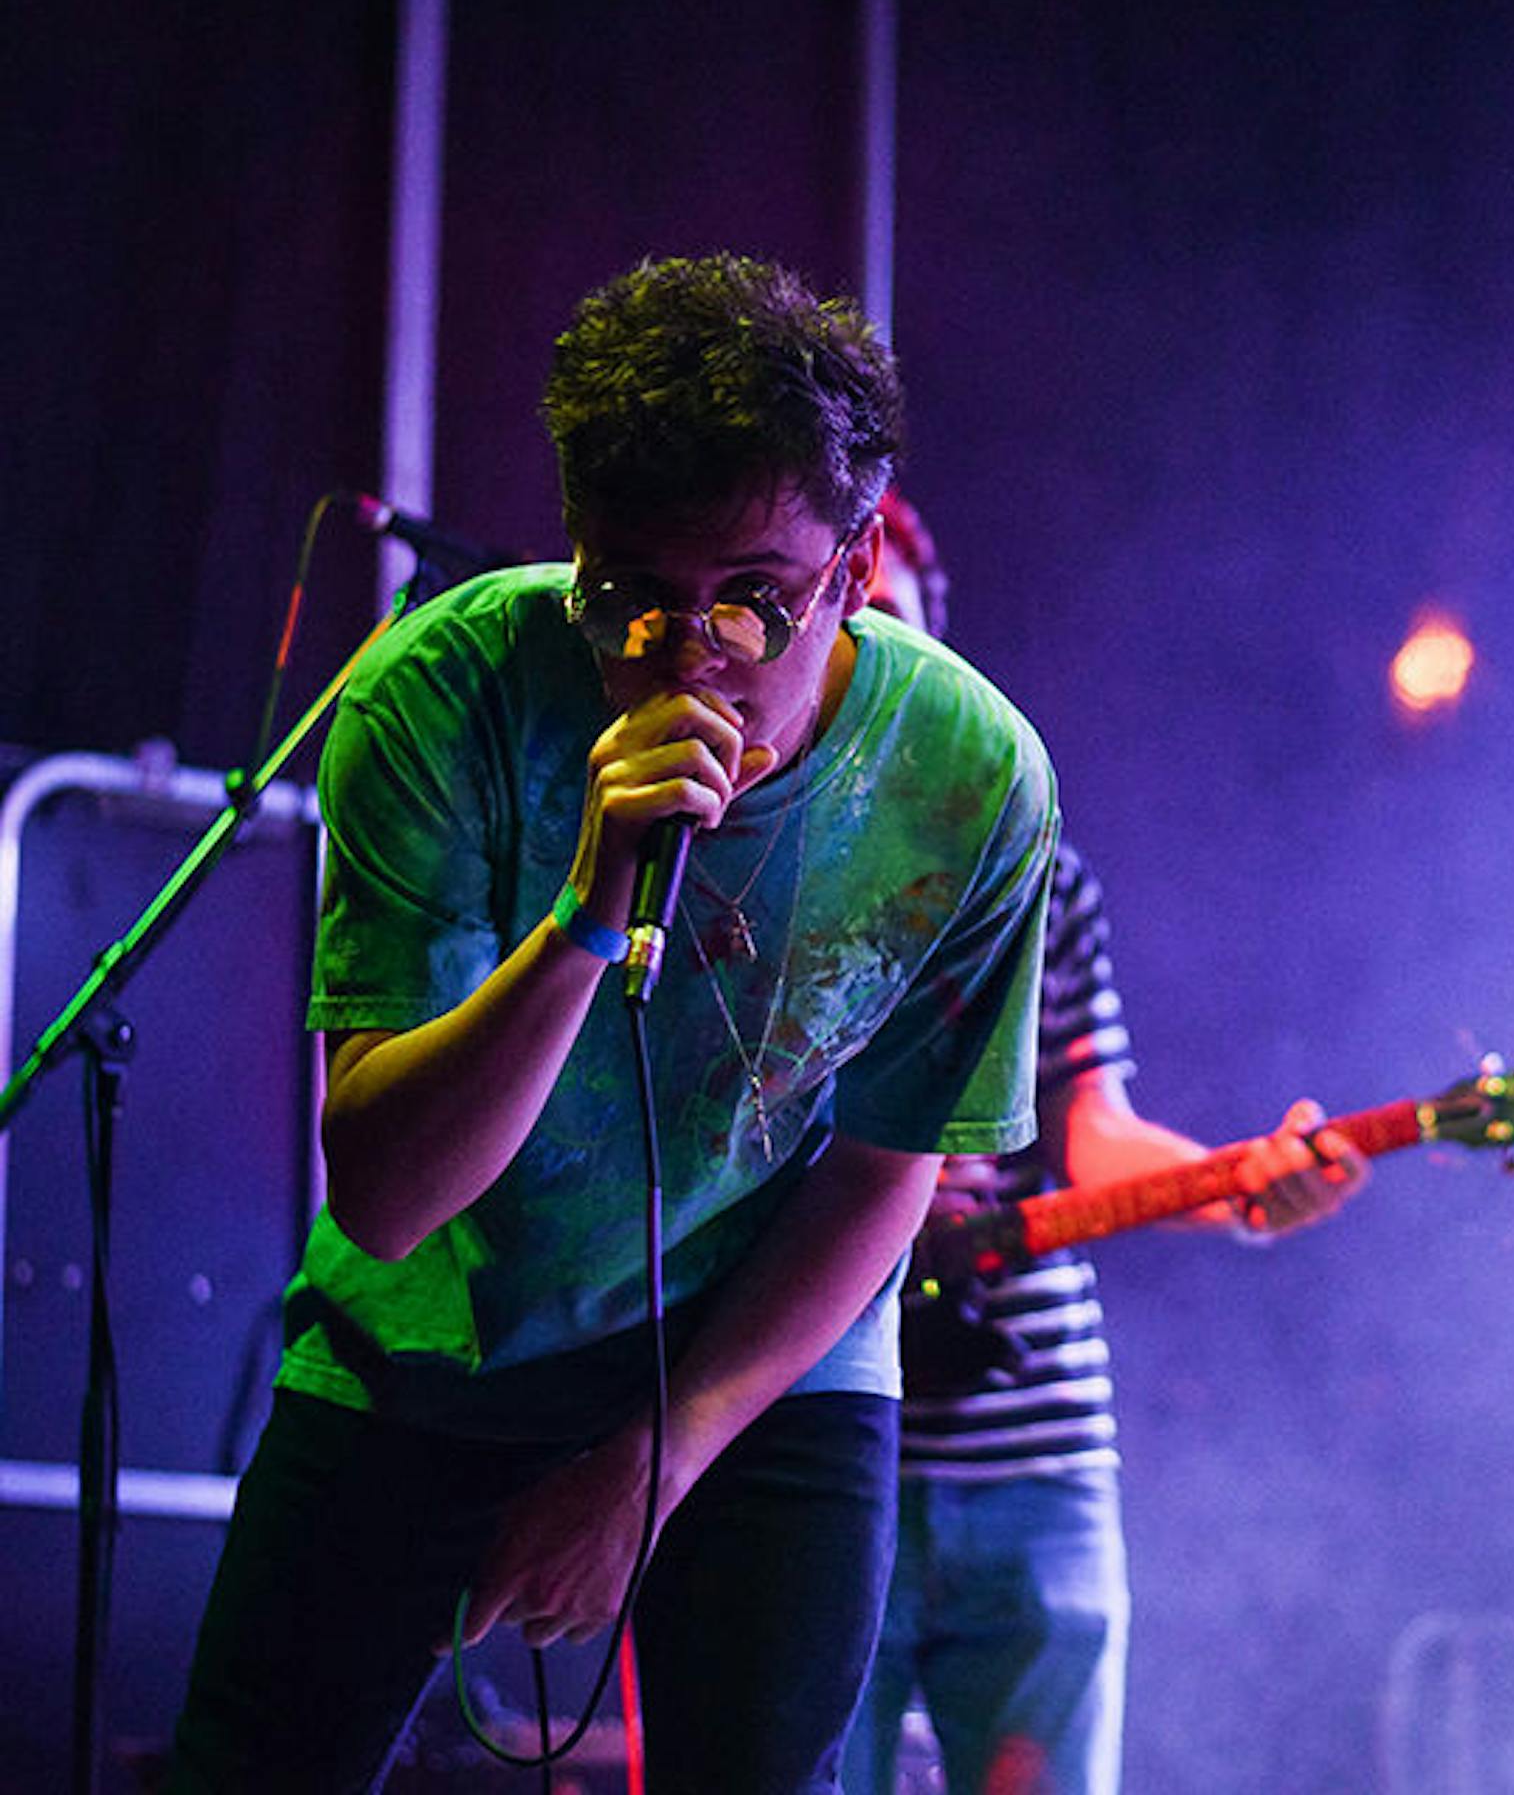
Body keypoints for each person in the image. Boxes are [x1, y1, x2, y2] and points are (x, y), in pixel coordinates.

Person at [164, 255, 1057, 1793]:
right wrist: (589, 910)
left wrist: (661, 1456)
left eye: (755, 600)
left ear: (855, 569)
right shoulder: (437, 696)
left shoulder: (968, 777)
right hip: (437, 1330)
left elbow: (883, 1171)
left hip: (759, 1356)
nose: (689, 652)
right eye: (633, 595)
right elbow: (384, 1199)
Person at [844, 494, 1367, 1795]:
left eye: (895, 622)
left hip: (1035, 1452)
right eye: (844, 624)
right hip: (813, 1445)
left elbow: (1092, 1132)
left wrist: (1240, 1192)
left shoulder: (1037, 872)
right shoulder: (738, 874)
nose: (874, 654)